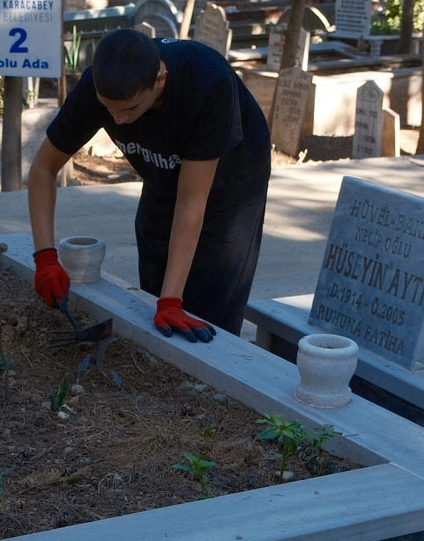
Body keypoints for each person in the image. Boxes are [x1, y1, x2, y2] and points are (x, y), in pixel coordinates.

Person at [27, 29, 270, 343]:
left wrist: (171, 302)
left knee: (211, 300)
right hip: (163, 173)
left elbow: (191, 202)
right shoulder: (97, 87)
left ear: (160, 79)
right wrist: (45, 257)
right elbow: (43, 168)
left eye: (129, 110)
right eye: (108, 108)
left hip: (231, 181)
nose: (118, 119)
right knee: (153, 279)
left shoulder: (208, 84)